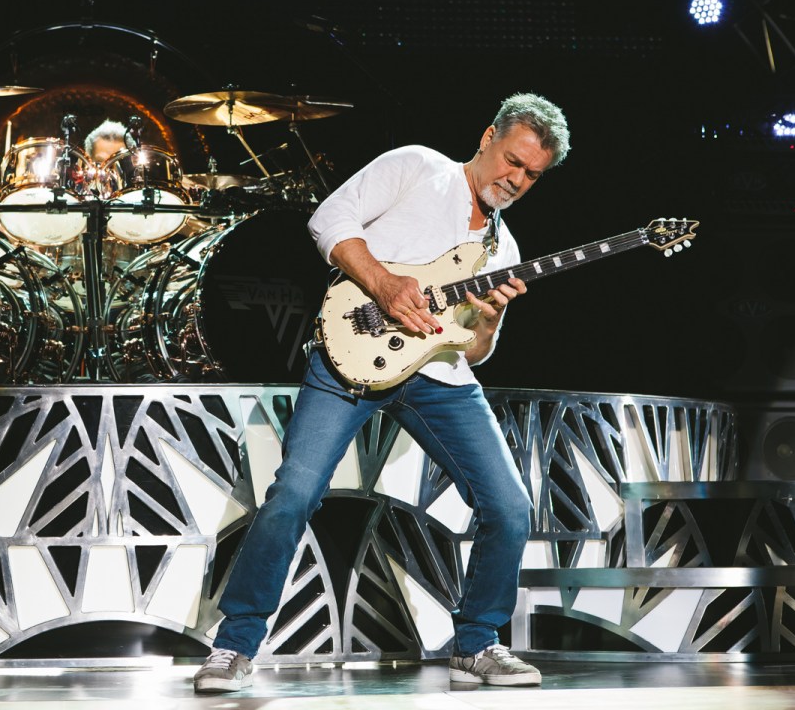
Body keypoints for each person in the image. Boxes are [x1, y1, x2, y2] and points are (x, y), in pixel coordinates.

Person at [193, 93, 570, 692]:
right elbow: (329, 220)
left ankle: (477, 644)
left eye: (532, 174)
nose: (517, 179)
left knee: (509, 507)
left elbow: (474, 351)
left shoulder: (504, 250)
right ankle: (233, 646)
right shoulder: (417, 167)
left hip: (439, 377)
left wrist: (490, 319)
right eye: (513, 160)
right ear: (487, 137)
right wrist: (385, 283)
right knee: (293, 495)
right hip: (349, 355)